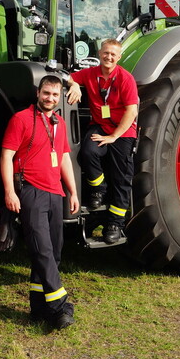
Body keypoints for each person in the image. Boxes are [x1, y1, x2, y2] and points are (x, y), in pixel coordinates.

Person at [1, 75, 80, 329]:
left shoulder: (59, 122)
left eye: (55, 95)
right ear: (38, 93)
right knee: (42, 248)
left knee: (54, 252)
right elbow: (6, 156)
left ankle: (39, 308)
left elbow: (64, 158)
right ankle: (60, 307)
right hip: (31, 191)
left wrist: (73, 192)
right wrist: (10, 192)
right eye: (46, 93)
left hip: (55, 192)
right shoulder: (21, 119)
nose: (50, 98)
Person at [66, 38, 139, 245]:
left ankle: (115, 224)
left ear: (119, 57)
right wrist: (75, 85)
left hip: (122, 131)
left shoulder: (125, 79)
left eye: (113, 54)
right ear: (99, 53)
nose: (109, 57)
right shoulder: (90, 73)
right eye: (106, 53)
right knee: (87, 152)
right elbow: (68, 76)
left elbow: (131, 112)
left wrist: (114, 136)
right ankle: (99, 189)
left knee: (121, 178)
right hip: (100, 125)